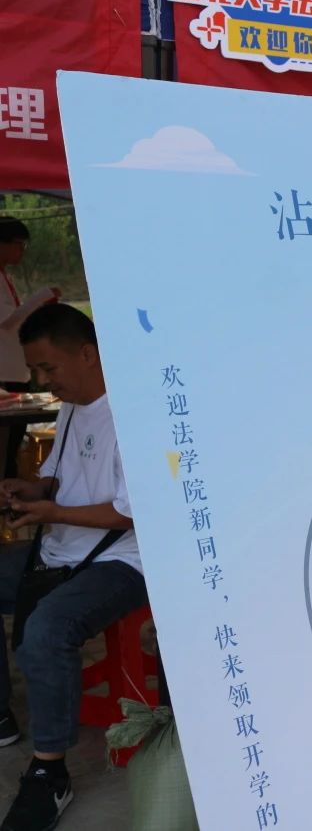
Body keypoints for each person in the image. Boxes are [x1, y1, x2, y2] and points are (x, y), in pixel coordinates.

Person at [0, 304, 146, 831]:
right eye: (35, 370)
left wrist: (51, 513)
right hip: (62, 548)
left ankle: (49, 771)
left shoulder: (133, 413)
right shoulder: (71, 408)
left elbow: (129, 514)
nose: (43, 381)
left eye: (48, 368)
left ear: (88, 354)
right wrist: (32, 490)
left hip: (120, 559)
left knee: (48, 629)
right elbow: (58, 479)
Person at [0, 218, 60, 480]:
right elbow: (7, 321)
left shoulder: (5, 276)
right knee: (5, 443)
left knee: (12, 442)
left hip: (14, 370)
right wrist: (41, 298)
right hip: (5, 373)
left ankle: (9, 490)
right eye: (19, 245)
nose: (22, 251)